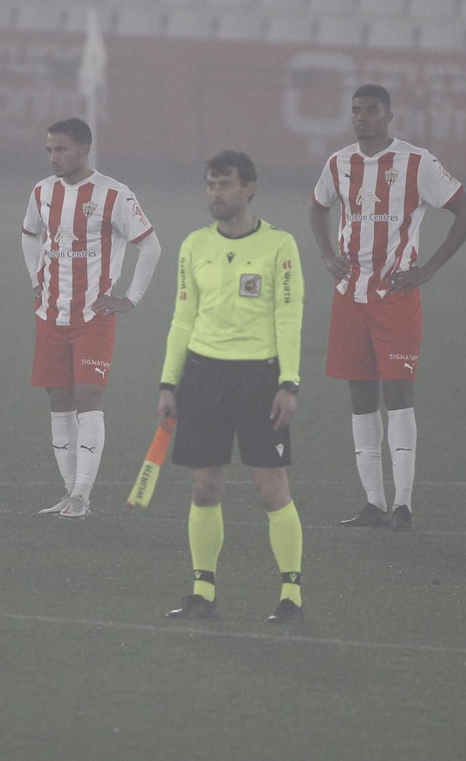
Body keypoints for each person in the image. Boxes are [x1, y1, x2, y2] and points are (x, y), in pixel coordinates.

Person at [309, 84, 466, 532]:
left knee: (399, 395)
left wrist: (431, 267)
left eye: (371, 111)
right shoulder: (338, 163)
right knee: (360, 398)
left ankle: (403, 505)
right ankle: (373, 504)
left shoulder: (417, 163)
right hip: (349, 297)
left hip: (396, 297)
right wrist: (328, 254)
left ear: (388, 116)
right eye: (355, 111)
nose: (361, 117)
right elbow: (316, 208)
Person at [160, 151, 306, 625]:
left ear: (249, 189)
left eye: (224, 185)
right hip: (203, 375)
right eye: (210, 185)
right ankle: (202, 591)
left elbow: (289, 316)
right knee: (204, 486)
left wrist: (289, 383)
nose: (215, 194)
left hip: (259, 379)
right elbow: (183, 316)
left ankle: (291, 596)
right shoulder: (193, 245)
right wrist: (169, 381)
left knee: (270, 487)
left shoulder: (280, 246)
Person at [21, 118, 161, 519]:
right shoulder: (42, 192)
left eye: (61, 150)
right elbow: (29, 233)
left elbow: (150, 246)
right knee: (58, 399)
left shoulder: (114, 194)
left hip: (93, 314)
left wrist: (131, 297)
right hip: (49, 313)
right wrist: (35, 277)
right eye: (49, 150)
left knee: (88, 397)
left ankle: (82, 494)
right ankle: (69, 493)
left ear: (84, 149)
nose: (53, 158)